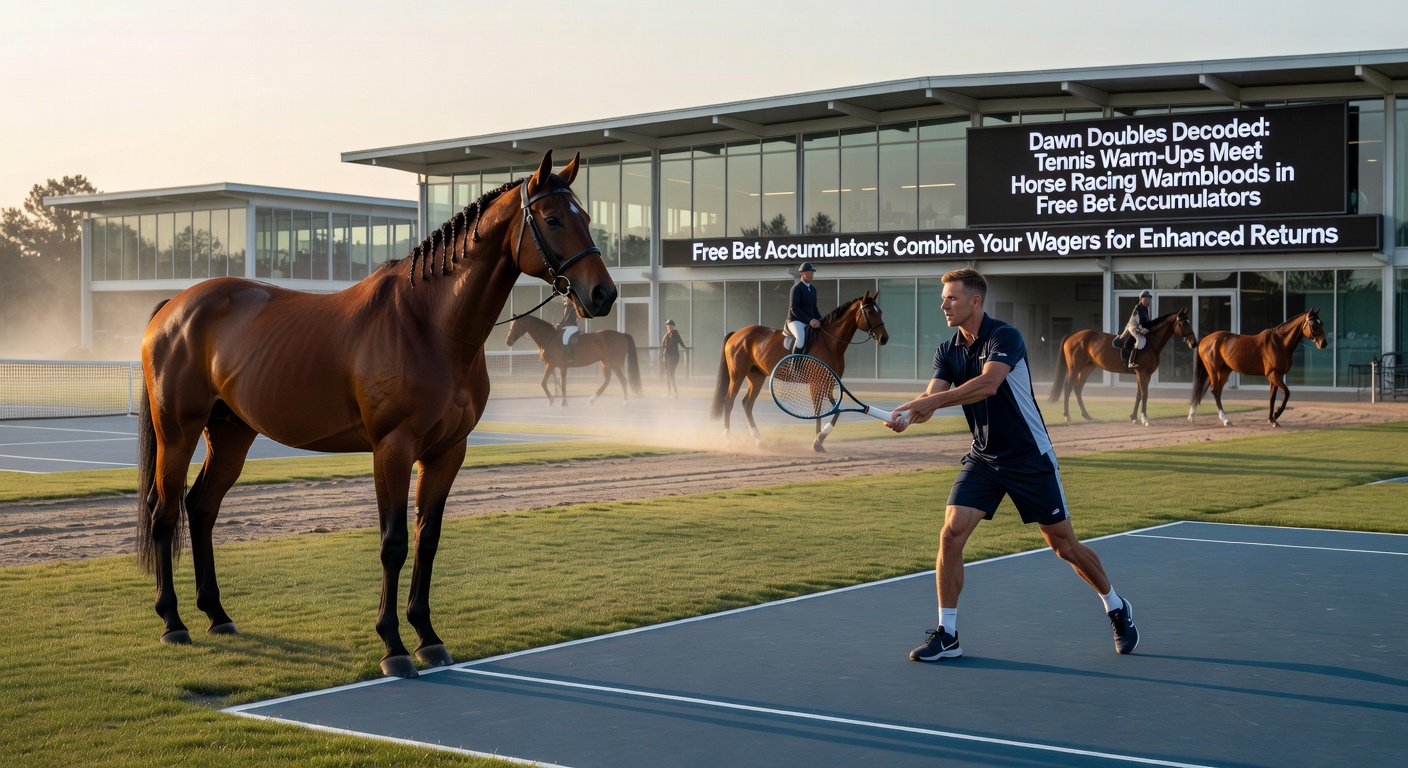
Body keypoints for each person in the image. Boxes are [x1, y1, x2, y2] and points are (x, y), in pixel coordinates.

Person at [886, 268, 1138, 662]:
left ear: (975, 301)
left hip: (1029, 457)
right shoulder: (947, 350)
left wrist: (929, 403)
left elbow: (988, 384)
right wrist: (906, 415)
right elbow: (932, 397)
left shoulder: (1005, 337)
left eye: (952, 297)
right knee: (951, 534)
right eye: (943, 297)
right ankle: (947, 633)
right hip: (984, 457)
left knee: (1064, 547)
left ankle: (1116, 605)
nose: (944, 304)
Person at [787, 262, 822, 354]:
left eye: (812, 272)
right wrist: (810, 320)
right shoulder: (796, 288)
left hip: (808, 321)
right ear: (802, 273)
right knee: (800, 339)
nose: (812, 274)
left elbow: (814, 308)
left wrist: (821, 320)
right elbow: (794, 308)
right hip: (795, 320)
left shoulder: (813, 290)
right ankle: (794, 365)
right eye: (810, 272)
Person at [1119, 290, 1153, 370]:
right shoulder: (1138, 308)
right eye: (1146, 299)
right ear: (1141, 299)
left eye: (1148, 298)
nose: (1148, 300)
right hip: (1133, 327)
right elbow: (1137, 321)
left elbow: (1146, 321)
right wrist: (1142, 329)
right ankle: (1131, 361)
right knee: (1140, 339)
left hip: (1138, 327)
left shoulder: (1145, 309)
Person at [660, 319, 686, 399]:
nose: (669, 326)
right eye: (668, 325)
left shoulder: (675, 333)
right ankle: (669, 393)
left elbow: (680, 342)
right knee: (668, 374)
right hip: (667, 356)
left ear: (673, 326)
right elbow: (662, 344)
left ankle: (675, 393)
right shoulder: (667, 334)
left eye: (671, 325)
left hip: (673, 356)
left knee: (670, 374)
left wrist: (684, 347)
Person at [554, 296, 580, 364]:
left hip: (572, 326)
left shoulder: (574, 306)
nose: (565, 298)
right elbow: (564, 319)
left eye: (566, 297)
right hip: (566, 326)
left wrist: (562, 325)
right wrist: (559, 325)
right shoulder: (566, 306)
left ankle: (569, 356)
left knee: (565, 338)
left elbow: (570, 318)